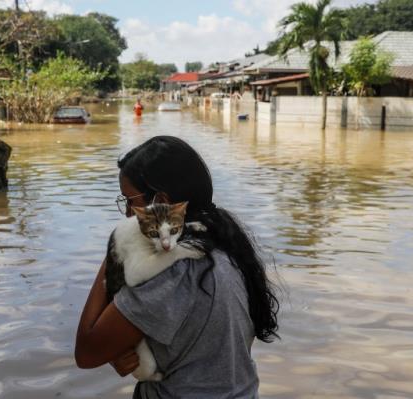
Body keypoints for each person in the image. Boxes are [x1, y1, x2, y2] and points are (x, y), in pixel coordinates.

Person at [75, 136, 280, 398]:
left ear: (160, 201)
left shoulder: (171, 271)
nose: (127, 214)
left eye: (130, 201)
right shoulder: (225, 244)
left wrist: (116, 249)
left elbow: (87, 351)